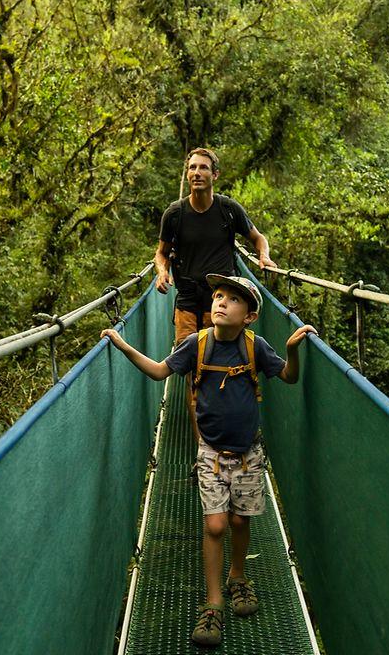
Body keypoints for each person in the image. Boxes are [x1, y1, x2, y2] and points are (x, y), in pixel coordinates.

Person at [102, 274, 316, 648]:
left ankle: (238, 575)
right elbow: (158, 371)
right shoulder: (196, 344)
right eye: (218, 296)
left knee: (239, 519)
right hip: (211, 453)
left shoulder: (256, 346)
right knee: (216, 525)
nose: (221, 302)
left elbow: (289, 376)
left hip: (248, 452)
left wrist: (292, 348)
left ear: (249, 316)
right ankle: (214, 601)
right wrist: (122, 345)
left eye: (233, 299)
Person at [154, 147, 277, 443]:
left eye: (203, 168)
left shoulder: (228, 210)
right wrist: (162, 271)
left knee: (216, 366)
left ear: (215, 175)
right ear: (187, 173)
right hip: (186, 299)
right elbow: (161, 253)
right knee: (191, 369)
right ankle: (202, 445)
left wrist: (264, 256)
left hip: (221, 299)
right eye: (192, 168)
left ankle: (224, 430)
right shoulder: (175, 214)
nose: (197, 173)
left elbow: (258, 238)